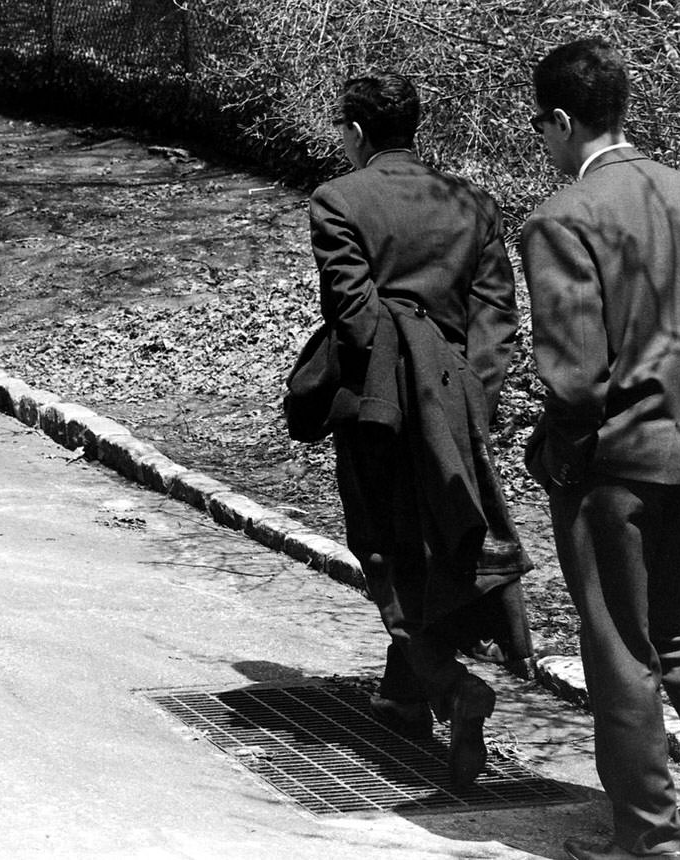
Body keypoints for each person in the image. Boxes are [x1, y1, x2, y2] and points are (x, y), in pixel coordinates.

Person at [288, 72, 532, 789]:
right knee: (442, 542)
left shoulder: (339, 199)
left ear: (356, 133)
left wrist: (402, 386)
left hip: (378, 409)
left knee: (387, 552)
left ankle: (452, 687)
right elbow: (496, 321)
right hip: (456, 407)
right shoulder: (472, 204)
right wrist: (465, 396)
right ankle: (403, 699)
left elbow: (356, 318)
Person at [523, 38, 680, 860]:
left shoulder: (563, 218)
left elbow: (576, 376)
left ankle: (649, 842)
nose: (542, 142)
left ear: (561, 121)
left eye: (539, 127)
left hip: (616, 466)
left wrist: (558, 452)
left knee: (623, 651)